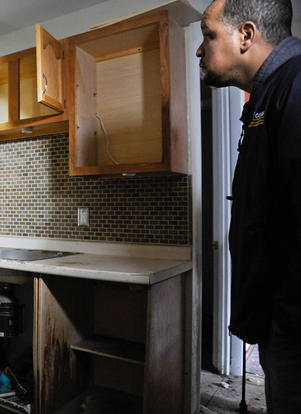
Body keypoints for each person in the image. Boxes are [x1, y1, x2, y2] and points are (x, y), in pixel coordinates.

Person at [197, 0, 301, 411]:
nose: (199, 49)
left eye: (208, 35)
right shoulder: (266, 97)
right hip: (283, 322)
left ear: (245, 35)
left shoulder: (295, 88)